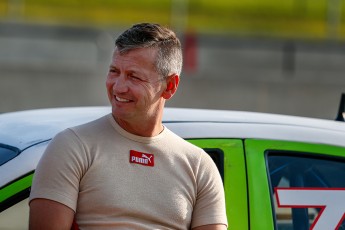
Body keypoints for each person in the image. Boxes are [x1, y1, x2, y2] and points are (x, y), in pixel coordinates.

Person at [29, 23, 227, 230]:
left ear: (169, 86)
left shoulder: (199, 167)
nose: (118, 87)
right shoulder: (72, 147)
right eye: (114, 71)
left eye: (134, 76)